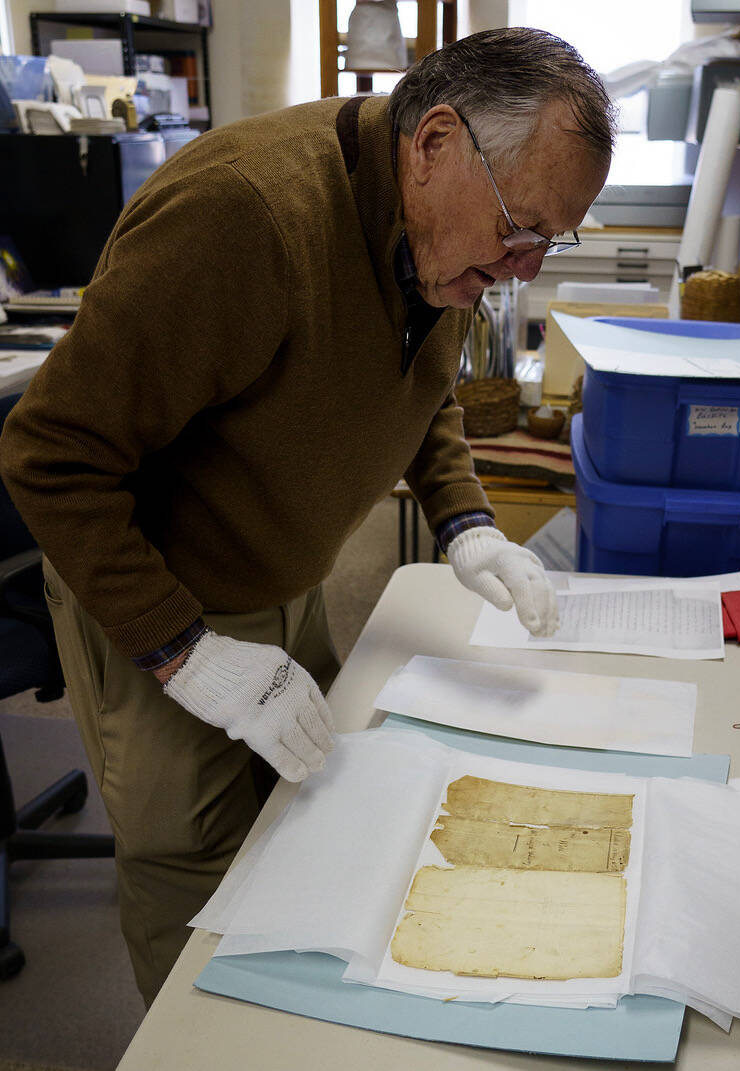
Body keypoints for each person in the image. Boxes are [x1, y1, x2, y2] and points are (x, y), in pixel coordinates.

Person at [0, 27, 614, 1006]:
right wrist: (187, 656)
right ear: (435, 143)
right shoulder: (241, 220)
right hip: (155, 596)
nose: (524, 268)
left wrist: (466, 522)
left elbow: (424, 389)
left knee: (305, 822)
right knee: (194, 869)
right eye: (521, 228)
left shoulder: (444, 238)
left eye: (551, 239)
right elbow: (48, 454)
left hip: (281, 573)